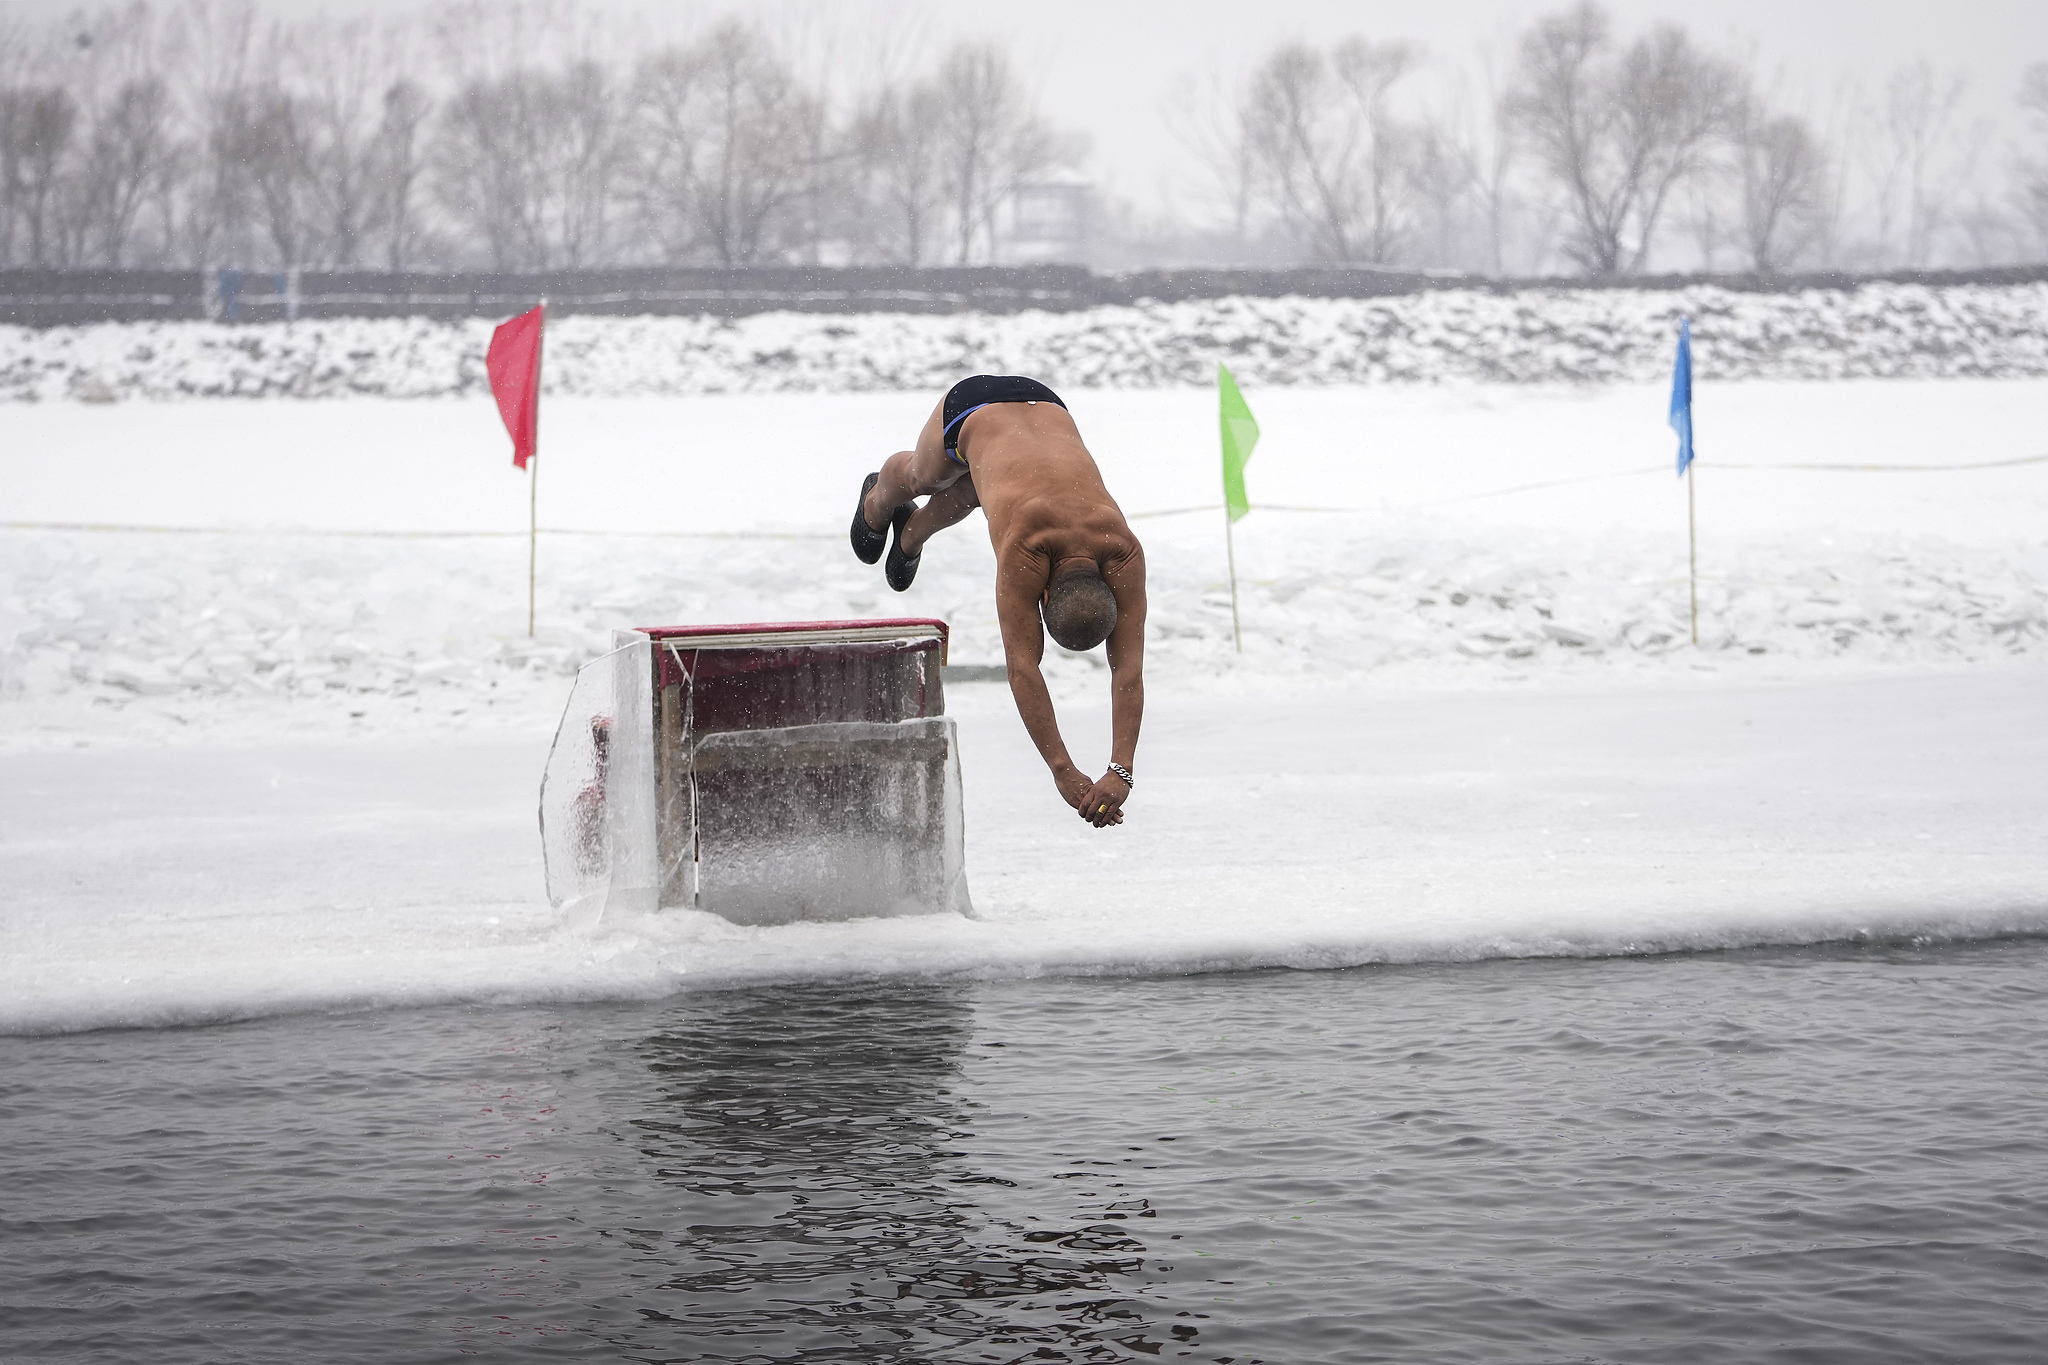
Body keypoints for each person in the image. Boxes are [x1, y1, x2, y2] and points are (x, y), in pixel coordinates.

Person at [850, 375, 1145, 828]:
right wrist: (1063, 771)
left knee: (978, 486)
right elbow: (1023, 668)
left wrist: (1120, 770)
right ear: (1043, 595)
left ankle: (910, 536)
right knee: (924, 477)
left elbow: (1128, 669)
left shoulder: (1121, 546)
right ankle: (878, 500)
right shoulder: (1027, 546)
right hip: (971, 408)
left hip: (1046, 404)